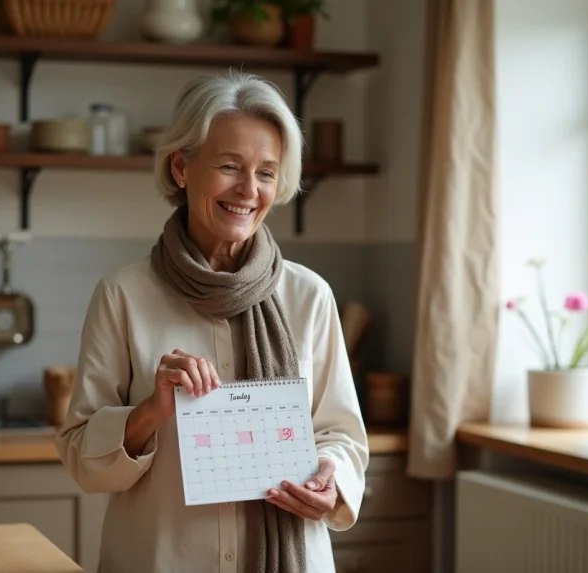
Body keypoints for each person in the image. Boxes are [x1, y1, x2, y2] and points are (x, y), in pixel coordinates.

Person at [56, 70, 369, 573]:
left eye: (266, 172)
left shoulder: (309, 296)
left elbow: (342, 435)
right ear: (181, 166)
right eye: (230, 166)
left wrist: (331, 477)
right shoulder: (123, 295)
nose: (248, 190)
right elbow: (81, 459)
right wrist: (150, 412)